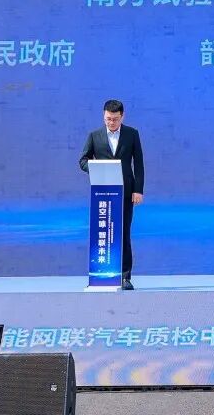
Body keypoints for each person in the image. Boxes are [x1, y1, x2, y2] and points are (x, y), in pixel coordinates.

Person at [79, 99, 144, 290]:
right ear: (103, 116)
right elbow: (83, 160)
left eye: (115, 119)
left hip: (125, 192)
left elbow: (139, 164)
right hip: (102, 191)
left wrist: (138, 190)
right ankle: (100, 274)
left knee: (123, 233)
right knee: (102, 232)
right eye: (108, 119)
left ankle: (125, 276)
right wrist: (96, 167)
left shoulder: (132, 134)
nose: (111, 122)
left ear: (122, 116)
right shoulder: (95, 136)